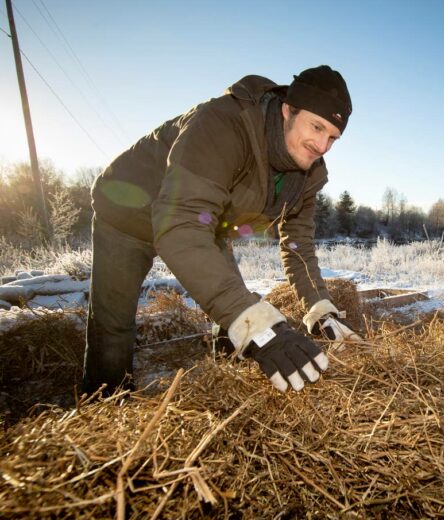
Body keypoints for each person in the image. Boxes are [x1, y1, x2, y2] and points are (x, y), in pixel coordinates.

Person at [83, 66, 359, 396]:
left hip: (205, 223)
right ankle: (105, 406)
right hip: (130, 211)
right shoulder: (223, 124)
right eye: (316, 127)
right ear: (288, 110)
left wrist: (319, 308)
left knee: (232, 303)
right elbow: (178, 225)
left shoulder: (310, 174)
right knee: (114, 325)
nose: (322, 145)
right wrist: (254, 323)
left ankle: (228, 385)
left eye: (332, 137)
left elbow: (298, 244)